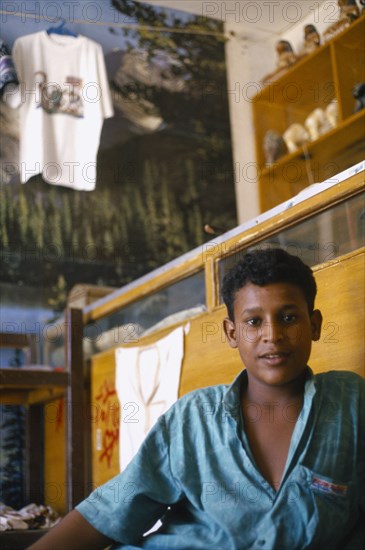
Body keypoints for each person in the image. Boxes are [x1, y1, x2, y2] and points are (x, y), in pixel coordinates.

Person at [28, 248, 365, 550]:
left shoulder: (349, 403)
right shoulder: (195, 417)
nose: (272, 335)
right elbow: (111, 509)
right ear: (232, 333)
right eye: (253, 322)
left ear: (315, 325)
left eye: (289, 318)